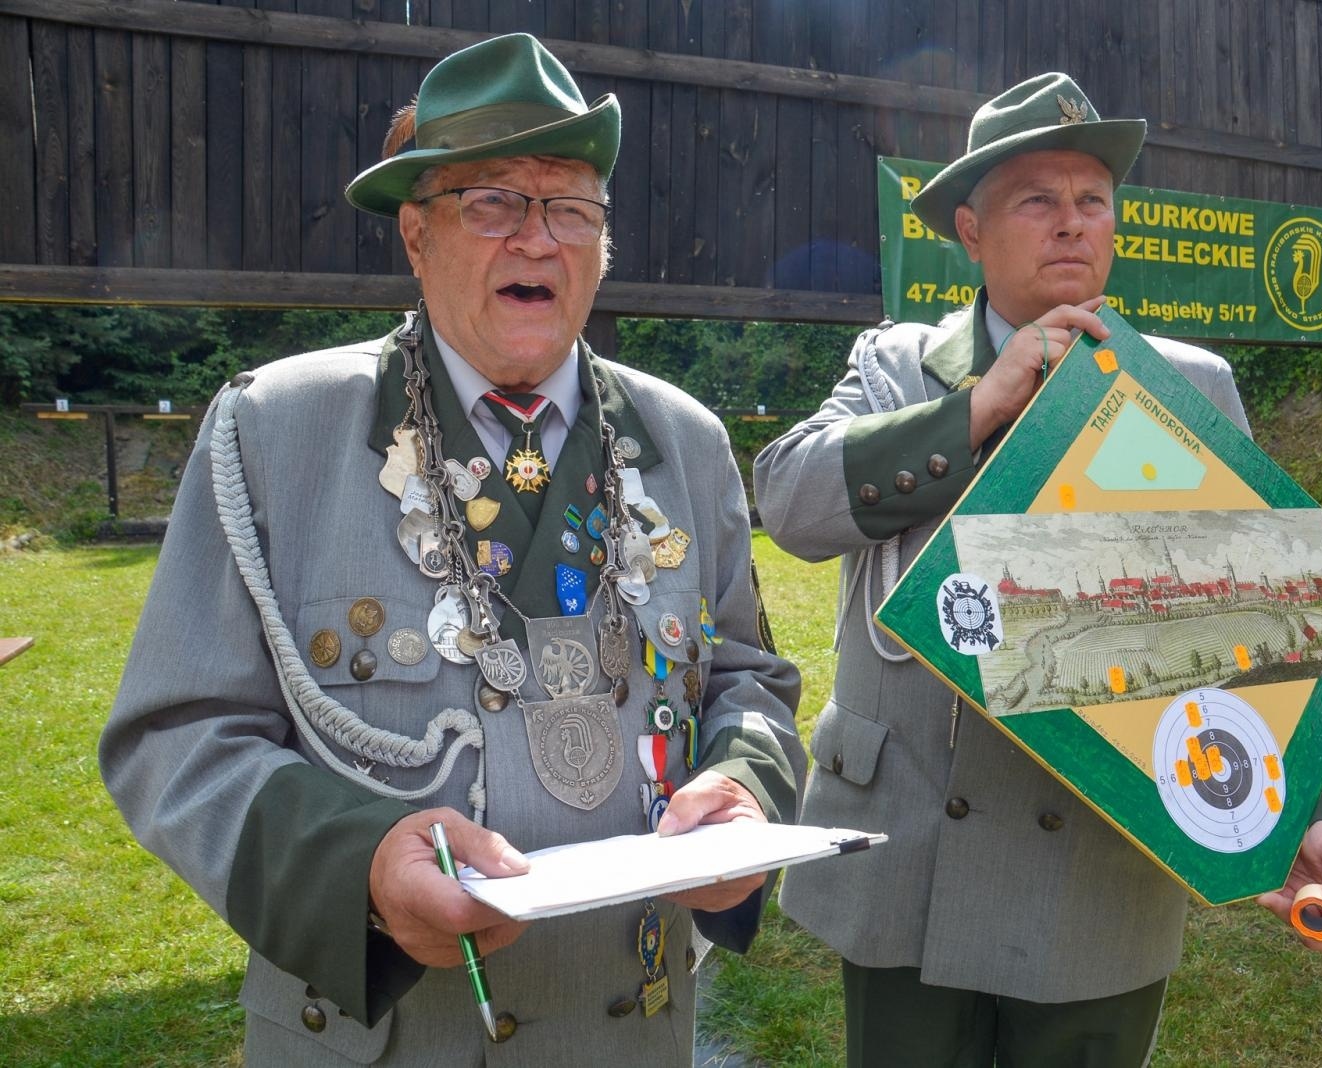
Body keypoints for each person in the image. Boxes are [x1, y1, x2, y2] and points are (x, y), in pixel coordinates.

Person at [100, 33, 803, 1067]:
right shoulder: (274, 428)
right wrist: (360, 869)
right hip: (381, 1036)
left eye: (570, 206)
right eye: (492, 203)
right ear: (417, 238)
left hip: (631, 1028)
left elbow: (744, 675)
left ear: (603, 245)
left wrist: (745, 785)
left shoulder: (688, 441)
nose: (537, 239)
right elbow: (176, 733)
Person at [754, 72, 1322, 1066]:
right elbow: (787, 503)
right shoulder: (897, 363)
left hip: (1093, 871)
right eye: (1038, 200)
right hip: (911, 853)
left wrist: (1312, 807)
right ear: (969, 228)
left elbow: (1269, 628)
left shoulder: (1189, 382)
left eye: (1093, 202)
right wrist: (976, 408)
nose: (1073, 223)